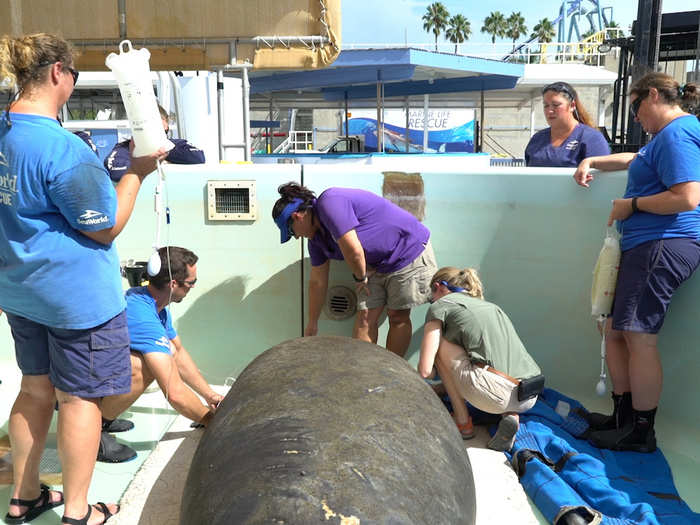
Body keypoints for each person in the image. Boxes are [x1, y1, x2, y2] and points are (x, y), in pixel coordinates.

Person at [0, 33, 164, 525]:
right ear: (57, 74)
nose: (72, 81)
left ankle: (25, 498)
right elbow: (105, 227)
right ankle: (78, 512)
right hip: (76, 302)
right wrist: (136, 171)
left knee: (34, 390)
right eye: (72, 74)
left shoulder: (5, 136)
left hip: (21, 291)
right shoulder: (65, 150)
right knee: (80, 401)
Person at [573, 73, 700, 453]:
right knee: (614, 330)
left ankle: (640, 432)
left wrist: (632, 206)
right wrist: (592, 159)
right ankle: (623, 416)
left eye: (634, 106)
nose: (634, 117)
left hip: (662, 245)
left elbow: (688, 197)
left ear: (655, 95)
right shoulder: (663, 138)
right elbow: (635, 158)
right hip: (650, 246)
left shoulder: (678, 134)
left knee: (638, 337)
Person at [272, 183, 437, 357]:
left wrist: (360, 278)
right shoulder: (316, 242)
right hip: (370, 267)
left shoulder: (330, 202)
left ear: (297, 216)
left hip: (407, 250)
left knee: (397, 316)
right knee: (365, 318)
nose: (296, 237)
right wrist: (312, 324)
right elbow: (317, 282)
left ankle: (392, 375)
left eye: (291, 232)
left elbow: (354, 250)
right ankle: (362, 376)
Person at [97, 247, 224, 462]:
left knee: (168, 350)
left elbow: (178, 352)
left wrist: (210, 396)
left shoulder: (154, 304)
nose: (193, 287)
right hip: (75, 383)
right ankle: (94, 426)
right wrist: (213, 421)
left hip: (96, 371)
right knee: (144, 367)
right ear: (173, 284)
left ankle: (103, 415)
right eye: (191, 283)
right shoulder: (143, 316)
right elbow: (173, 392)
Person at [417, 267, 542, 452]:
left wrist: (435, 371)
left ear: (438, 287)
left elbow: (425, 371)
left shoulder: (441, 306)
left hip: (494, 395)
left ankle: (463, 424)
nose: (432, 301)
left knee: (440, 345)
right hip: (529, 395)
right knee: (486, 361)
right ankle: (511, 416)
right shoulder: (491, 307)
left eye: (431, 296)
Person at [104, 104, 205, 182]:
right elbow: (116, 172)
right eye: (156, 131)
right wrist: (151, 160)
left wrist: (164, 152)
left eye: (164, 131)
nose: (161, 135)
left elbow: (198, 156)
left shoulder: (175, 145)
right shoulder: (123, 149)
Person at [525, 81, 610, 167]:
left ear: (572, 106)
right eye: (546, 105)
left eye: (556, 105)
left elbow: (602, 176)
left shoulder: (591, 138)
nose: (549, 111)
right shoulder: (537, 139)